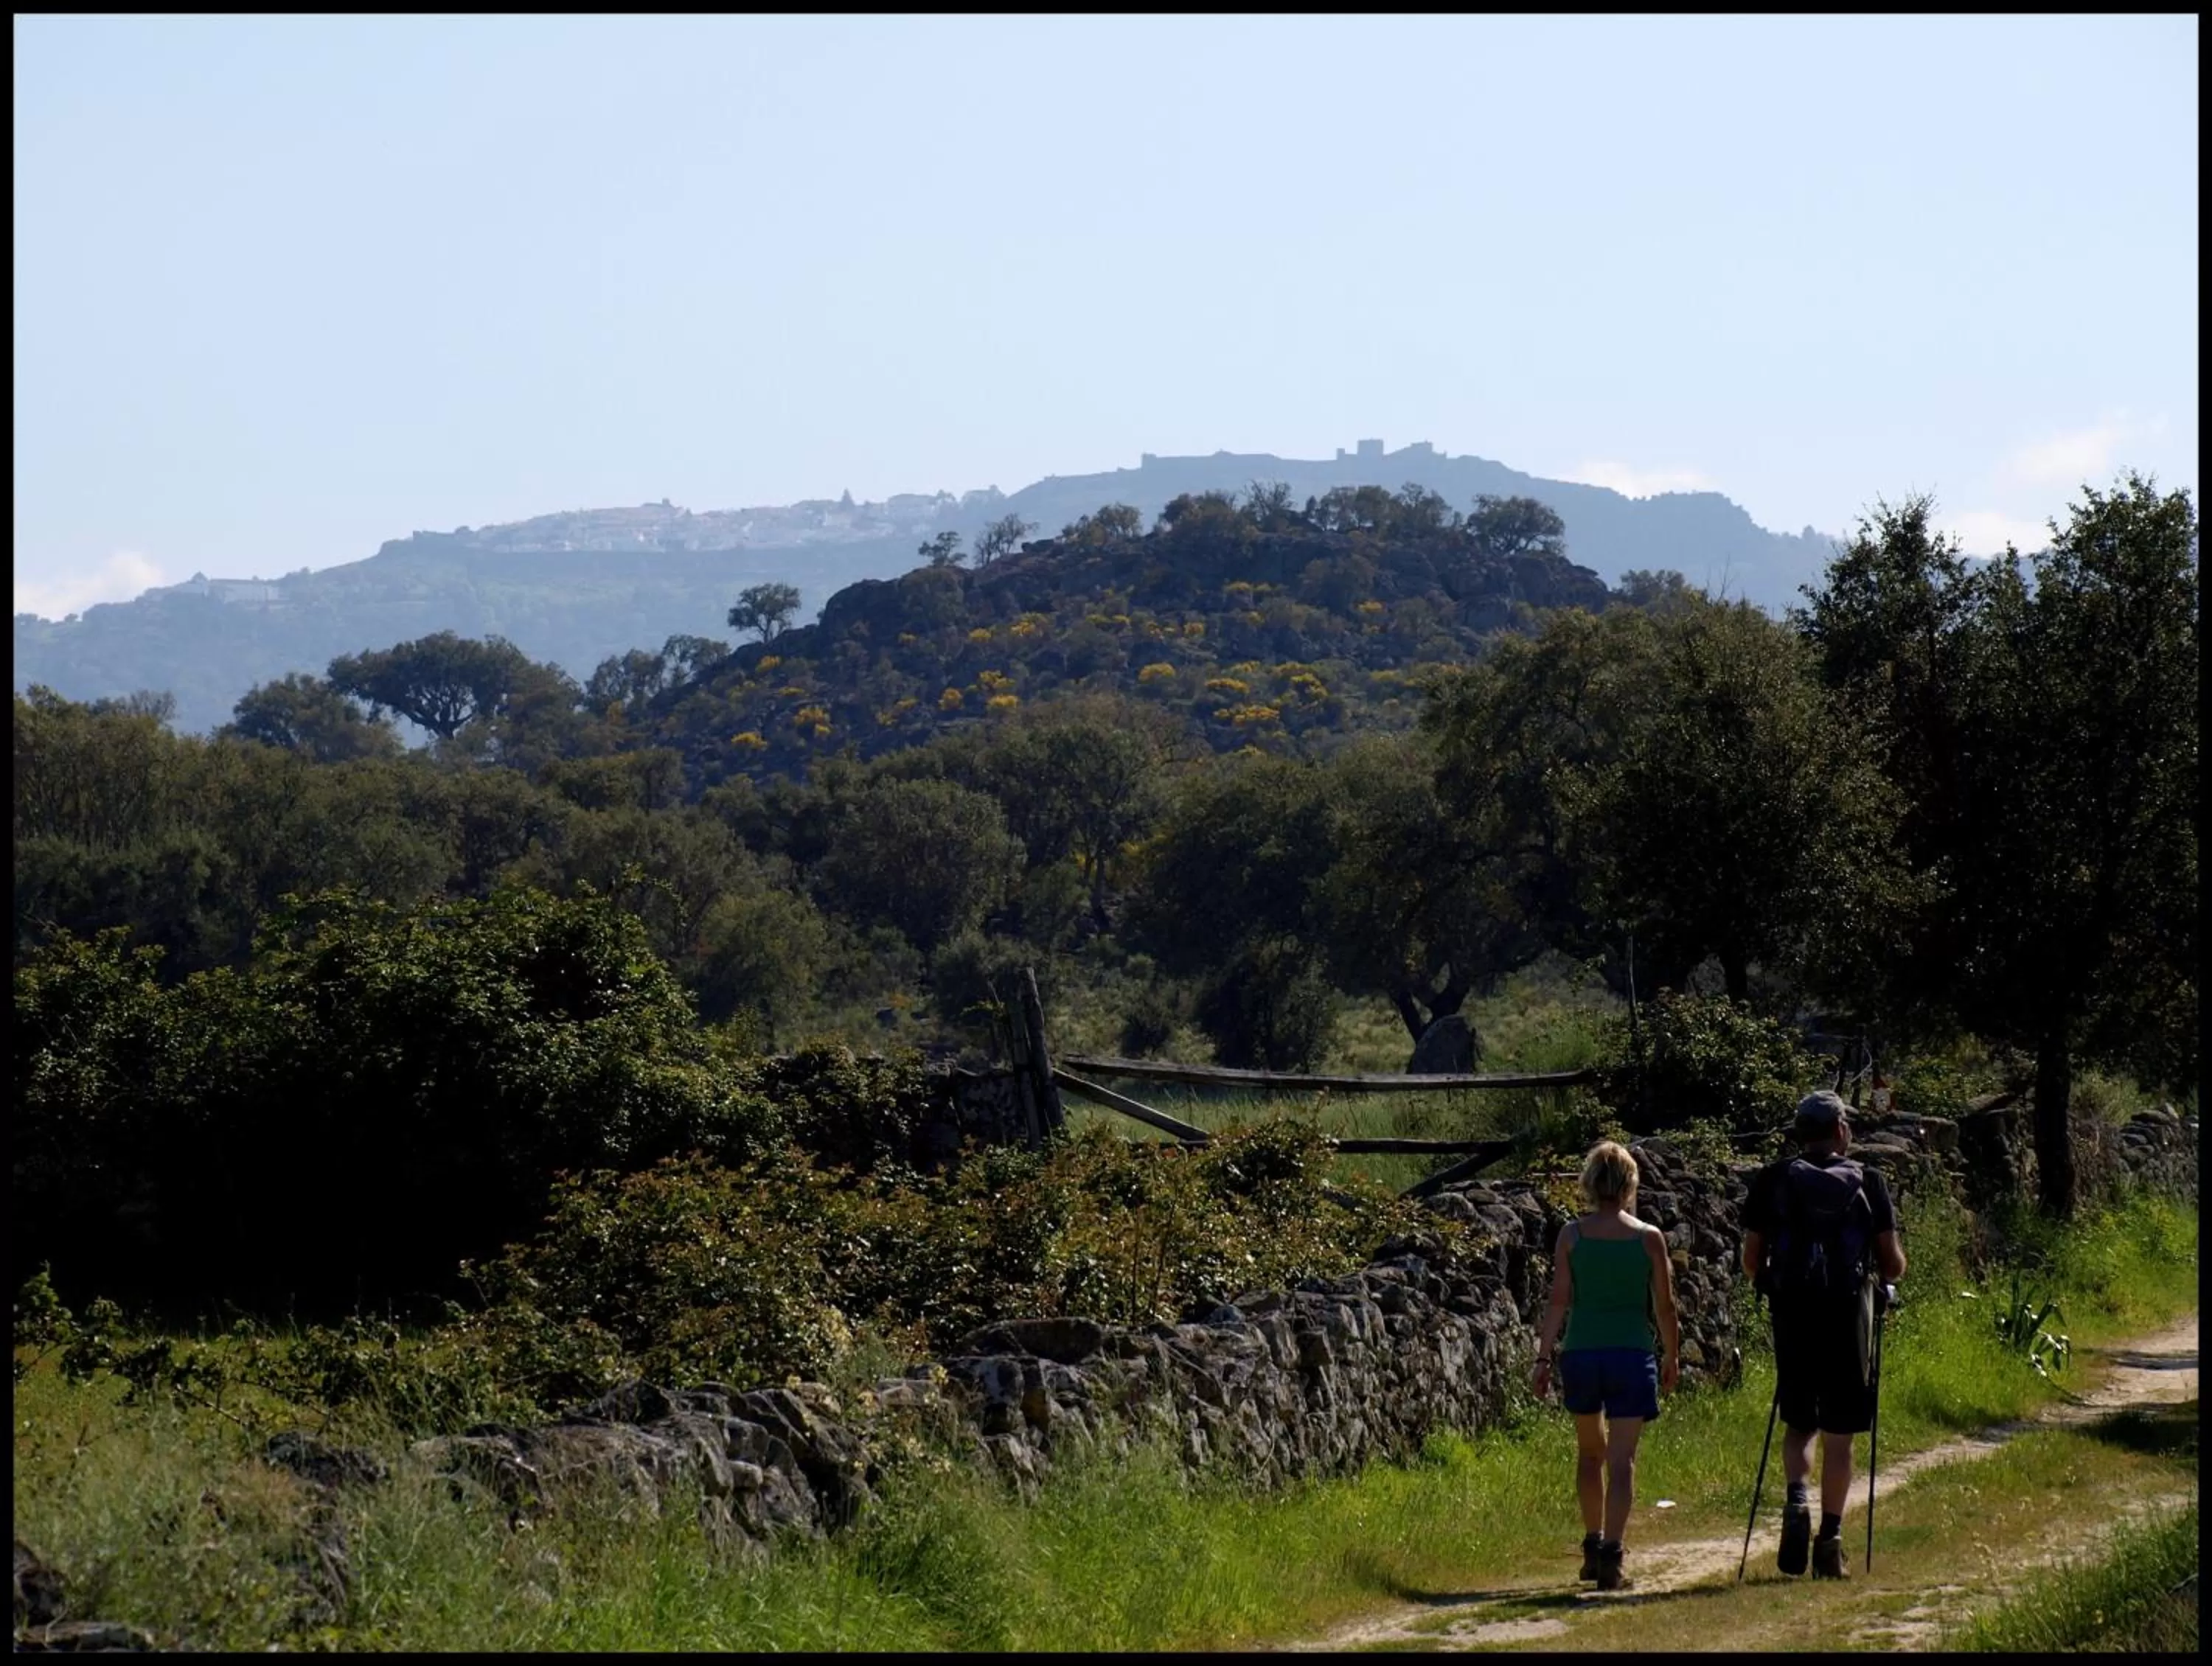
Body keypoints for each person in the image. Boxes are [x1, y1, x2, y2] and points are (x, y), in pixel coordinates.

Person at [1741, 1089, 1907, 1580]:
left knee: (1798, 1423)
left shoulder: (1773, 1179)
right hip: (1847, 1314)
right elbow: (1892, 1263)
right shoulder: (1869, 1181)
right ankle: (1830, 1540)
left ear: (1800, 1133)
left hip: (1794, 1313)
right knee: (1841, 1434)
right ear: (1839, 1131)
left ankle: (1797, 1500)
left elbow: (1752, 1260)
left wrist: (1776, 1284)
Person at [1531, 1139, 1681, 1592]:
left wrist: (1542, 1357)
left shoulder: (1572, 1236)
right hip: (1632, 1355)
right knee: (1622, 1461)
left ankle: (1593, 1546)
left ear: (1590, 1184)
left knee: (1589, 1454)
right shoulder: (1648, 1238)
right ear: (1631, 1184)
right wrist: (1672, 1354)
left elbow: (1559, 1301)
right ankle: (1614, 1556)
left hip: (1582, 1353)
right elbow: (1665, 1305)